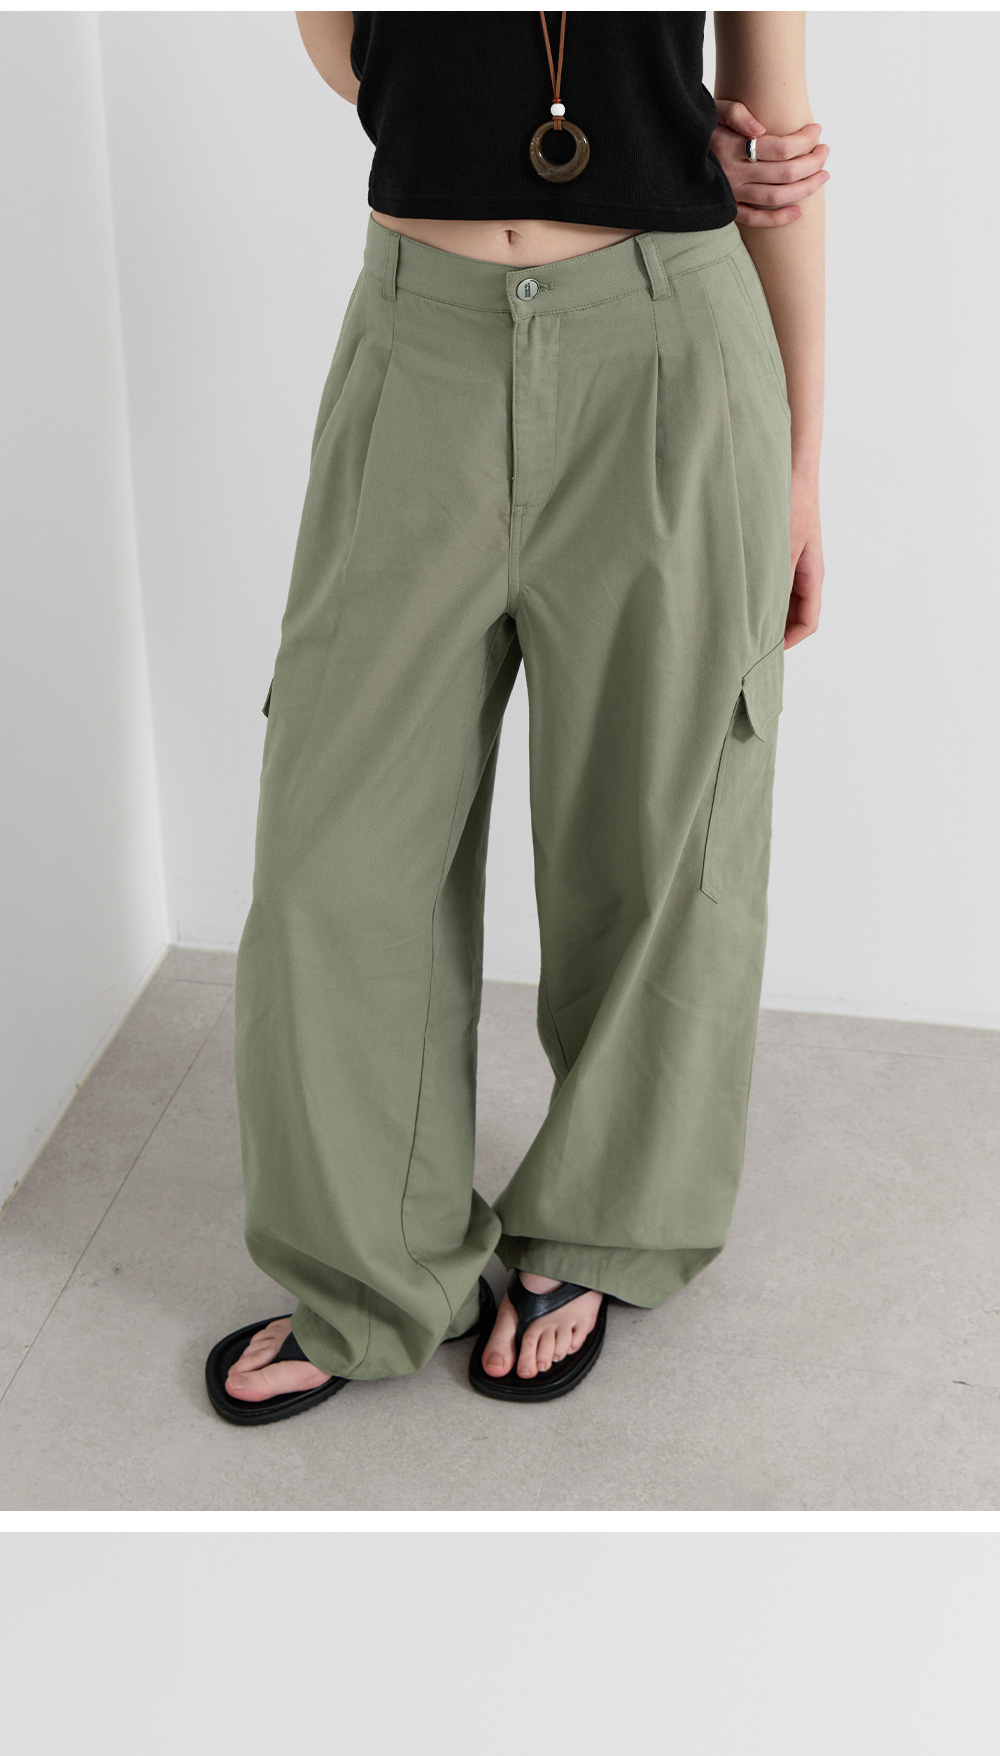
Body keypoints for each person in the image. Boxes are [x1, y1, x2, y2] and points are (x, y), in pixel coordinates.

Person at [206, 12, 828, 1425]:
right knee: (330, 856)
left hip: (668, 348)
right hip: (417, 337)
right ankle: (369, 1272)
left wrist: (799, 467)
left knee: (657, 829)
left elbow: (779, 145)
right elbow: (350, 48)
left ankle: (600, 1226)